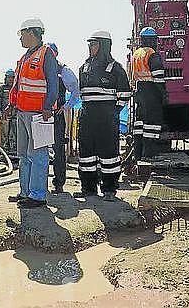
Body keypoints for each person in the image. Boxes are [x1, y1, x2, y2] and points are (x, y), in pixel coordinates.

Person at [8, 18, 58, 208]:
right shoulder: (25, 57)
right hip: (22, 112)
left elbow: (53, 85)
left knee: (38, 155)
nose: (20, 38)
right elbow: (18, 85)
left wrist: (47, 106)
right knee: (24, 155)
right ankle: (25, 192)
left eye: (21, 34)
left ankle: (37, 195)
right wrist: (12, 104)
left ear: (30, 33)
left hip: (39, 114)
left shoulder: (46, 54)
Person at [76, 30, 131, 201]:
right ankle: (88, 188)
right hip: (87, 118)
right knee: (86, 155)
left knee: (109, 155)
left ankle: (109, 189)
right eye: (90, 45)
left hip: (107, 119)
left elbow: (125, 93)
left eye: (94, 44)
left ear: (104, 46)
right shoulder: (84, 67)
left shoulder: (115, 68)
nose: (91, 47)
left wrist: (114, 112)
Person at [47, 42, 80, 194]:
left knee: (58, 150)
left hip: (56, 116)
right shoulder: (38, 68)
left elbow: (75, 90)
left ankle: (58, 183)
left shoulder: (63, 70)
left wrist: (65, 106)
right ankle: (38, 184)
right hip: (39, 114)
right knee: (37, 149)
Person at [130, 26, 167, 160]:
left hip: (139, 91)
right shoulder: (152, 54)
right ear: (152, 40)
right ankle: (150, 154)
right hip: (151, 91)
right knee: (152, 123)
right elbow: (158, 77)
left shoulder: (136, 54)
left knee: (140, 123)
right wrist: (163, 93)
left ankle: (138, 154)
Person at [0, 69, 16, 152]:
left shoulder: (16, 88)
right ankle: (5, 151)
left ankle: (13, 151)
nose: (11, 79)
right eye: (9, 77)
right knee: (5, 134)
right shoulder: (1, 88)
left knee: (13, 134)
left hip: (15, 115)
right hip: (4, 115)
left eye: (12, 77)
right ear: (6, 78)